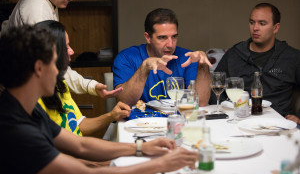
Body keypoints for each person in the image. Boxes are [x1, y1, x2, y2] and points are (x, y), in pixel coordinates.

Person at [0, 25, 198, 173]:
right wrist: (160, 164)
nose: (61, 71)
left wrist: (141, 148)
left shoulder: (25, 109)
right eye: (55, 62)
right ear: (39, 68)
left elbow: (81, 145)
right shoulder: (15, 130)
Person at [2, 0, 122, 99]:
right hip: (17, 84)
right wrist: (89, 85)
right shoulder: (38, 16)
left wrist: (89, 85)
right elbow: (54, 66)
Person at [35, 20, 130, 136]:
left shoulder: (60, 84)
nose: (72, 51)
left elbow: (78, 126)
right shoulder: (34, 103)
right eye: (66, 47)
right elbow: (77, 146)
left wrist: (112, 115)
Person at [212, 3, 300, 125]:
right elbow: (216, 90)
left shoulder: (292, 57)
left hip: (278, 124)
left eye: (262, 23)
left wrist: (299, 118)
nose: (255, 28)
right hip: (238, 121)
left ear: (276, 28)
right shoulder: (234, 54)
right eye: (252, 22)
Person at [113, 8, 212, 106]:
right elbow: (123, 102)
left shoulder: (187, 57)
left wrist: (202, 65)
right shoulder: (126, 58)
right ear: (148, 37)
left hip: (178, 119)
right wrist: (144, 67)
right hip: (141, 121)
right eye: (162, 37)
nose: (170, 44)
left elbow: (201, 102)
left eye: (174, 37)